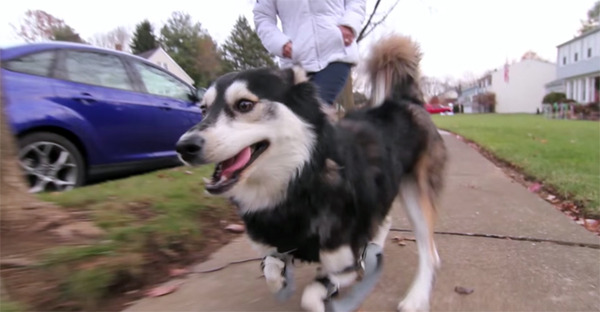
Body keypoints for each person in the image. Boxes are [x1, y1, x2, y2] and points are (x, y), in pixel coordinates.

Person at [253, 0, 366, 106]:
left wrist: (349, 24)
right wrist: (280, 44)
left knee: (315, 108)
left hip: (335, 53)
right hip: (296, 61)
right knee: (298, 115)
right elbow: (263, 17)